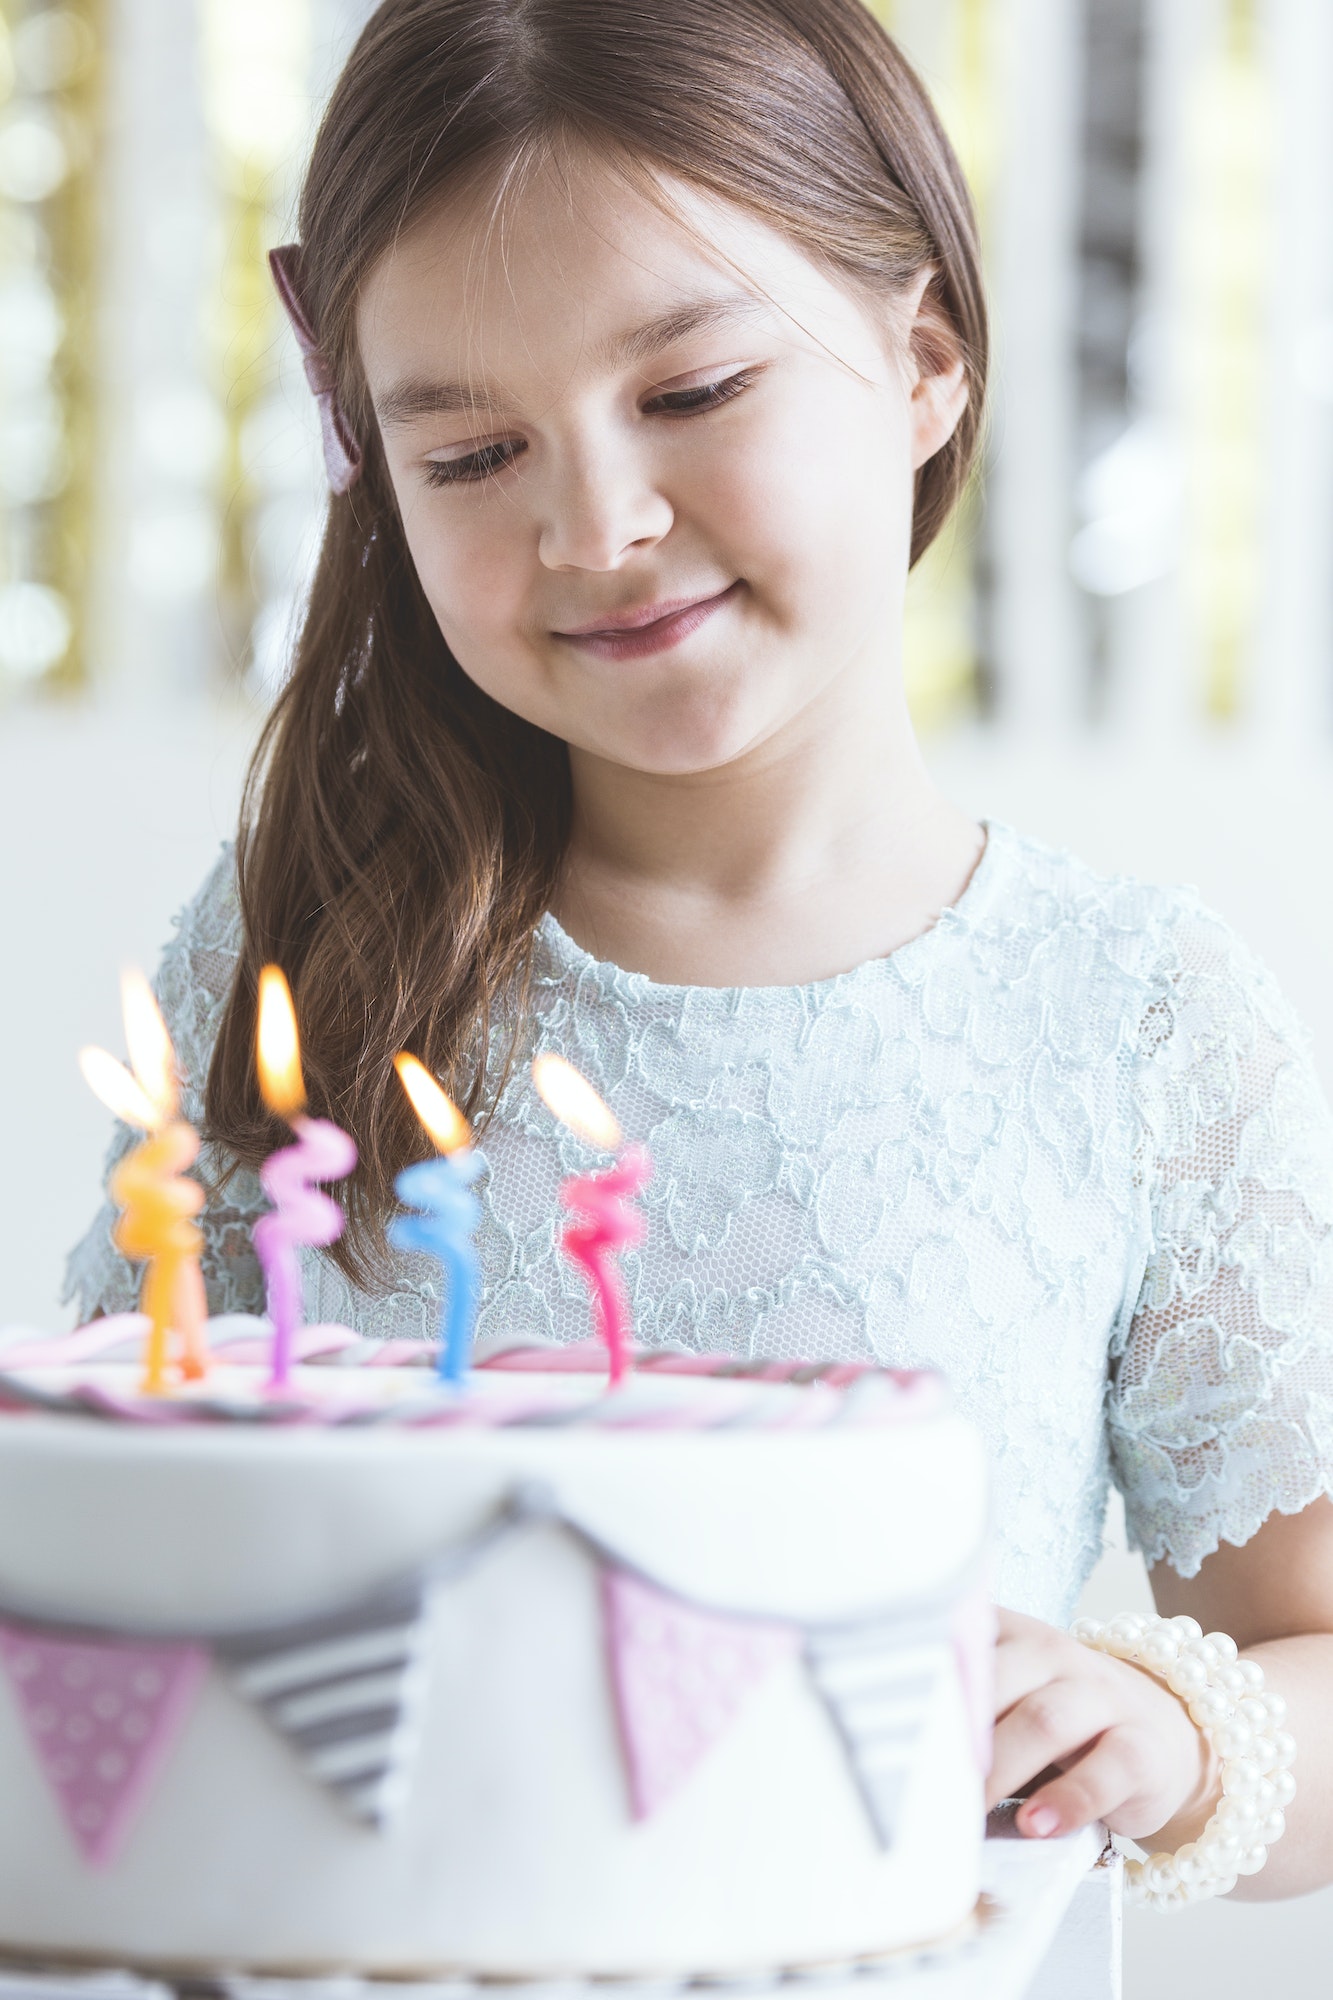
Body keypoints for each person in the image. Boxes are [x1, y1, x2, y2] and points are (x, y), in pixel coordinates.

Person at [67, 0, 1333, 1909]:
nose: (599, 525)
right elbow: (106, 1546)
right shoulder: (283, 956)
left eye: (690, 392)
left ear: (921, 360)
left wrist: (1160, 1727)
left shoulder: (1137, 1021)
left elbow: (1305, 1651)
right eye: (474, 451)